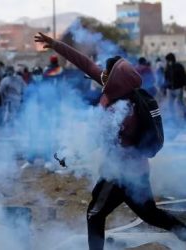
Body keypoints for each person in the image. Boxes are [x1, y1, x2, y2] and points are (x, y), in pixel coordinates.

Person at [35, 32, 186, 250]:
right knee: (150, 214)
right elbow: (86, 64)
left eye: (107, 72)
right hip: (137, 171)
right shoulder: (118, 88)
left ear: (115, 79)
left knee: (95, 214)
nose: (101, 74)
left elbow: (98, 139)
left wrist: (70, 153)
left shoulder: (124, 110)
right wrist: (55, 45)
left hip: (119, 175)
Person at [164, 53, 186, 119]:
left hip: (178, 88)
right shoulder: (167, 68)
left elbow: (183, 77)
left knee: (180, 103)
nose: (167, 62)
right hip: (170, 89)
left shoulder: (179, 66)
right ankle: (172, 117)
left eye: (168, 60)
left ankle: (184, 115)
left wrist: (184, 85)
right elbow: (166, 78)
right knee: (170, 104)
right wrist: (165, 88)